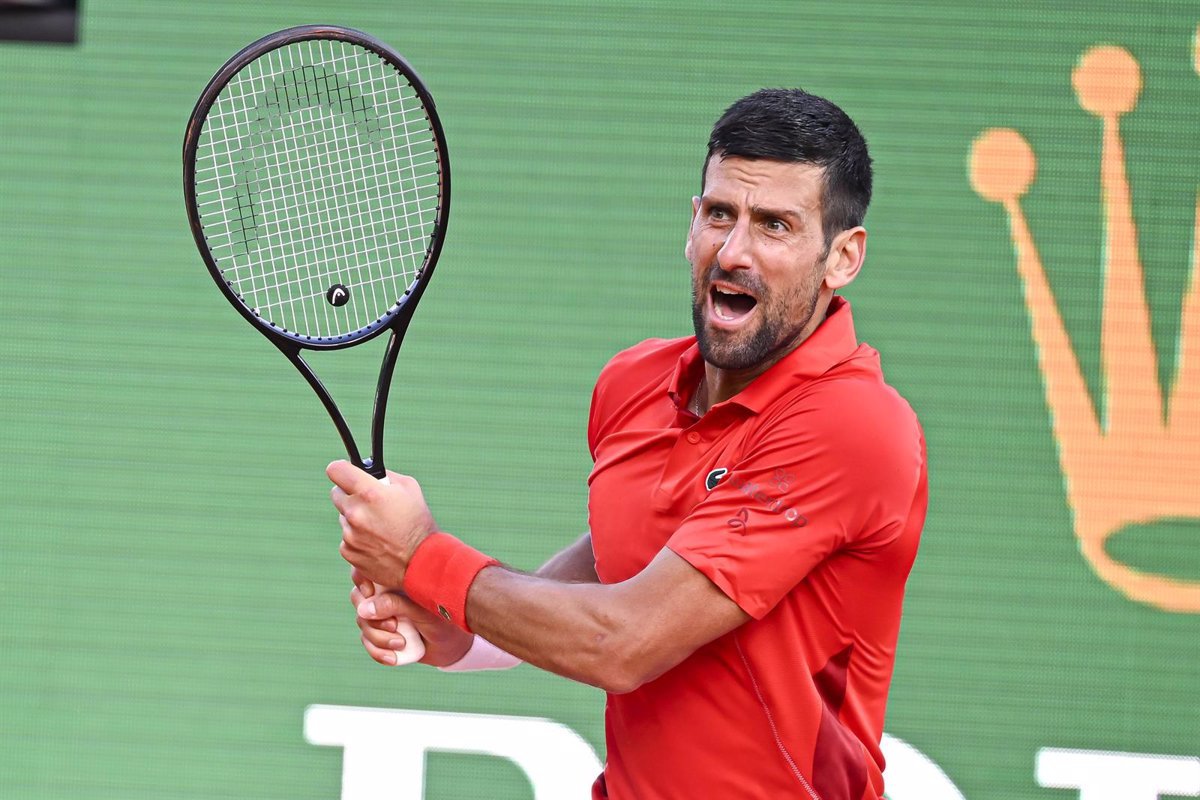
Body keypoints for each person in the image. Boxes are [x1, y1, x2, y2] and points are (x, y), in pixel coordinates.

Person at [329, 87, 927, 800]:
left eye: (775, 226)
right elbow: (613, 567)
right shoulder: (633, 384)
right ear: (691, 225)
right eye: (719, 214)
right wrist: (457, 634)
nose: (734, 252)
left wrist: (422, 558)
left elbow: (623, 640)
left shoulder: (854, 427)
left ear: (842, 258)